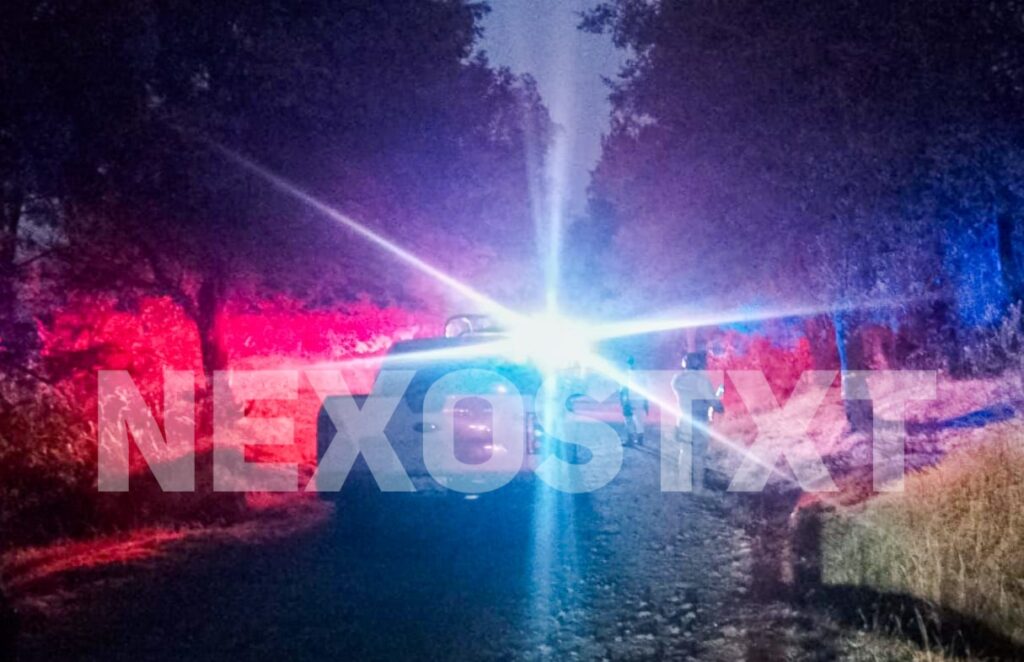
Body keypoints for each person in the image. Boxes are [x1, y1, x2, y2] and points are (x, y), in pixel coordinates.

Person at [671, 351, 724, 493]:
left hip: (683, 420)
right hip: (699, 422)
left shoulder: (677, 380)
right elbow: (712, 401)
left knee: (685, 453)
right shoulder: (702, 381)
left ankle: (683, 485)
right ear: (698, 364)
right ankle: (698, 487)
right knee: (698, 455)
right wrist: (719, 405)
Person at [619, 356, 649, 446]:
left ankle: (631, 440)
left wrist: (624, 402)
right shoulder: (642, 375)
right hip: (639, 400)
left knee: (629, 420)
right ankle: (640, 440)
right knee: (639, 420)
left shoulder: (626, 375)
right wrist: (646, 403)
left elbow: (623, 390)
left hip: (629, 400)